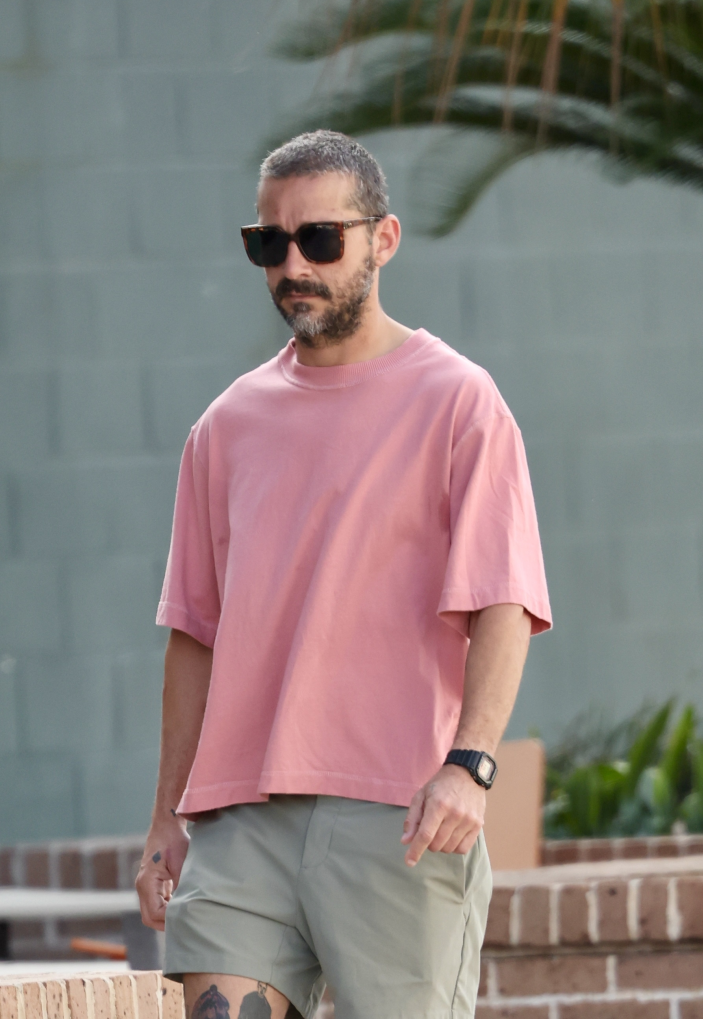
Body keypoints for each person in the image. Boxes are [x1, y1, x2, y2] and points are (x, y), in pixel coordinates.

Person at [135, 130, 552, 1019]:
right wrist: (166, 813)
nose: (293, 264)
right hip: (239, 818)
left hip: (395, 813)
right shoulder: (225, 426)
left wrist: (469, 766)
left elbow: (504, 601)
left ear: (382, 240)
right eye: (268, 243)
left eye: (319, 239)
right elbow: (193, 634)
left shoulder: (457, 402)